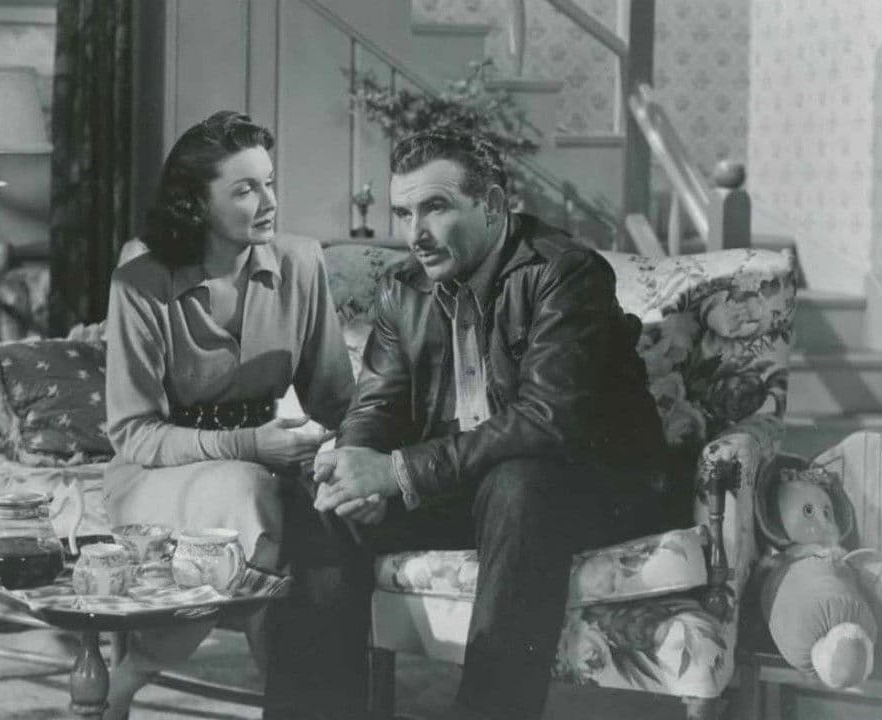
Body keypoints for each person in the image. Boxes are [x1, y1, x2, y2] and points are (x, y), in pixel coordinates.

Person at [263, 130, 669, 720]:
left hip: (589, 492)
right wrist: (356, 470)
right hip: (468, 488)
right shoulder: (404, 289)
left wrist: (397, 472)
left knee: (519, 481)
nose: (415, 233)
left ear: (494, 205)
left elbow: (546, 420)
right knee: (324, 497)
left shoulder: (565, 272)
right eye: (404, 213)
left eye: (435, 207)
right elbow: (375, 406)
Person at [100, 110, 354, 720]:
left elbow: (337, 399)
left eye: (270, 182)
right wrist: (250, 446)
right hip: (155, 475)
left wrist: (350, 456)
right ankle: (134, 673)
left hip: (266, 470)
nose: (269, 202)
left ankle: (298, 701)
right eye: (244, 190)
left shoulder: (301, 263)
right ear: (195, 203)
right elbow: (134, 432)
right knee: (250, 496)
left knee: (305, 508)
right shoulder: (140, 281)